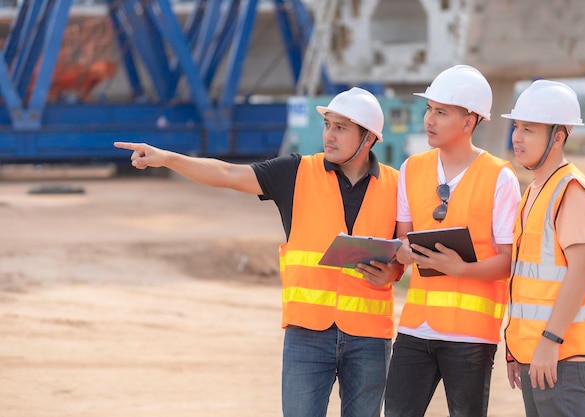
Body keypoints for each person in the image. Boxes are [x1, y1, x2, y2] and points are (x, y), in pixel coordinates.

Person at [114, 87, 405, 417]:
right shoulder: (297, 173)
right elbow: (227, 173)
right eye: (328, 125)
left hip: (369, 337)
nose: (329, 135)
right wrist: (167, 158)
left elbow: (403, 252)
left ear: (368, 138)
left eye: (341, 128)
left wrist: (394, 271)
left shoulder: (397, 187)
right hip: (307, 335)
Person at [384, 65, 522, 417]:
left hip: (472, 335)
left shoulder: (499, 178)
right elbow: (403, 237)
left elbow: (509, 260)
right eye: (429, 109)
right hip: (416, 328)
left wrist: (461, 268)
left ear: (469, 121)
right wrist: (403, 252)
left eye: (441, 112)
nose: (429, 119)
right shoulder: (412, 168)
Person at [501, 80, 585, 417]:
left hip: (562, 355)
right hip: (537, 353)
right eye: (517, 127)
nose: (517, 137)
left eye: (529, 129)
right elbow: (527, 282)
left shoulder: (572, 189)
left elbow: (581, 269)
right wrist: (515, 350)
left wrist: (550, 341)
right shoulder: (536, 189)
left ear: (559, 136)